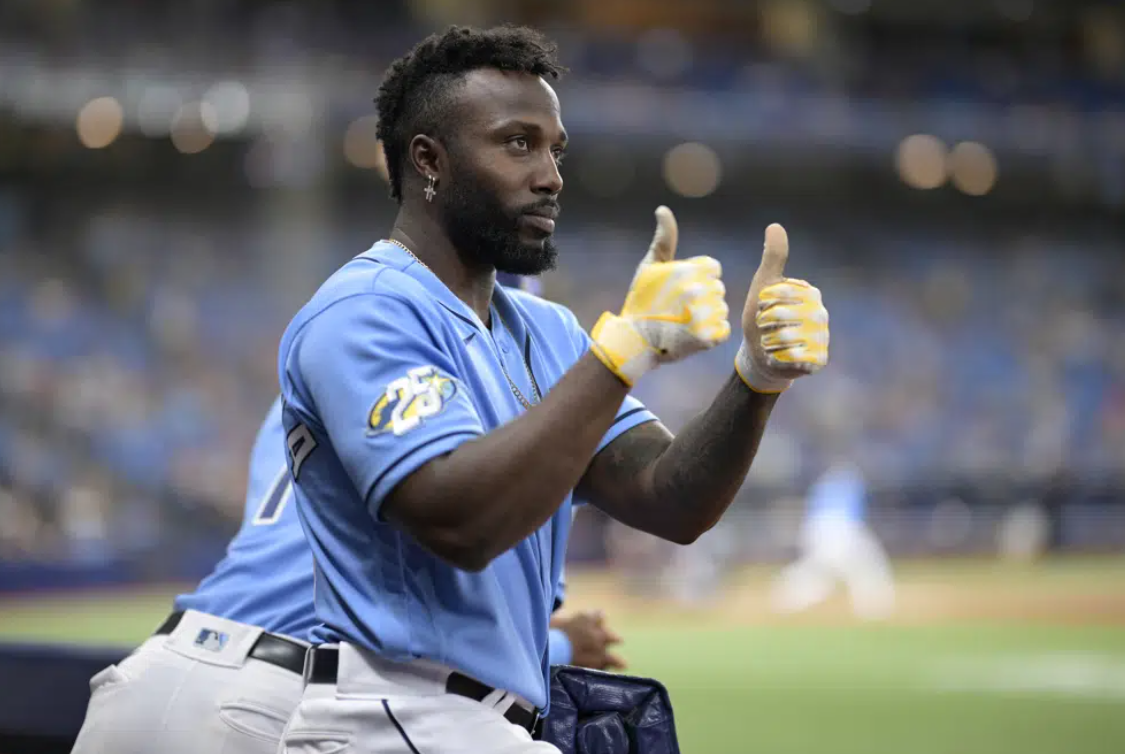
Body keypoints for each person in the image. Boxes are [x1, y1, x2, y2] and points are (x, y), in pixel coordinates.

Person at [275, 24, 829, 754]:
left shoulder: (547, 329)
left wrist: (755, 379)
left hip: (481, 719)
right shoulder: (365, 311)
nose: (550, 175)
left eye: (554, 148)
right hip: (396, 712)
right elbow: (460, 523)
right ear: (429, 160)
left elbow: (671, 498)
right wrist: (624, 350)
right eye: (516, 143)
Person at [69, 290, 622, 754]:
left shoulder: (327, 375)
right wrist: (566, 647)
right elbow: (448, 633)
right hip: (269, 702)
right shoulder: (487, 419)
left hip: (155, 669)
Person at [770, 460, 895, 620]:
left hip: (816, 530)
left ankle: (787, 593)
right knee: (865, 565)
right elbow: (858, 513)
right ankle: (874, 608)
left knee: (823, 570)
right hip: (842, 530)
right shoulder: (852, 483)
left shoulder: (822, 485)